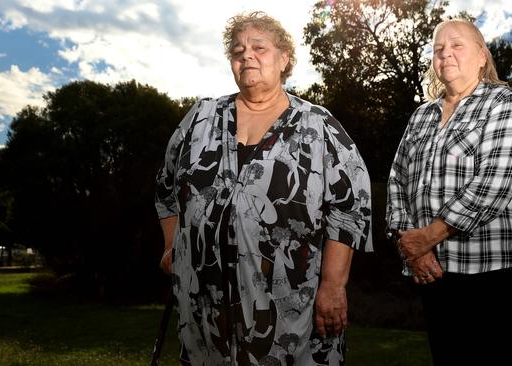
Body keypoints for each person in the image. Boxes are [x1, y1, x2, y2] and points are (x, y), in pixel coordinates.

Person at [156, 11, 372, 366]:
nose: (247, 56)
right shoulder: (200, 118)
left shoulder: (318, 126)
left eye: (259, 47)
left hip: (291, 312)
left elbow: (351, 208)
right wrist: (171, 246)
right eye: (238, 51)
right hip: (204, 313)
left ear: (283, 58)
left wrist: (333, 286)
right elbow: (166, 189)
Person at [386, 18, 512, 366]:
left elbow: (495, 182)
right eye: (438, 49)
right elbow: (397, 181)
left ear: (482, 56)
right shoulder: (421, 115)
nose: (445, 54)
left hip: (494, 276)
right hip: (434, 272)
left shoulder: (504, 102)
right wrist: (414, 250)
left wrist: (427, 237)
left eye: (456, 46)